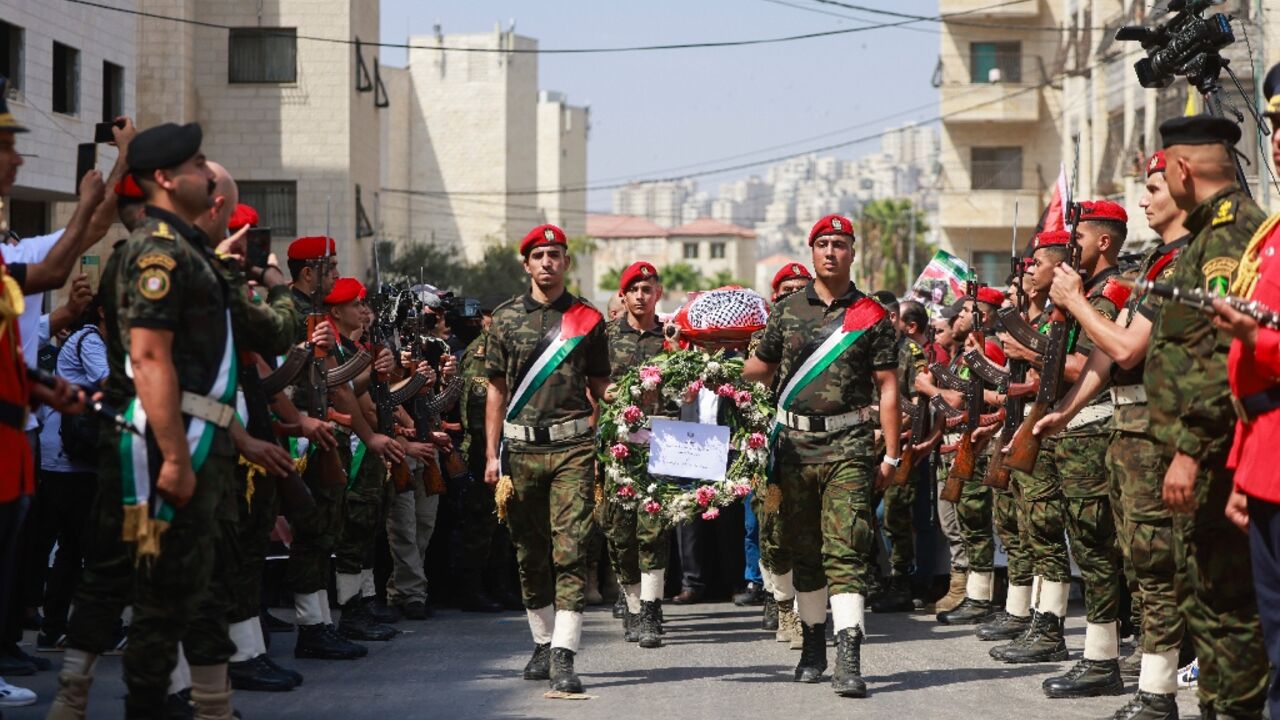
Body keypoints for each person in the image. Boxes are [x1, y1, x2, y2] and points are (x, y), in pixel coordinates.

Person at [45, 121, 246, 718]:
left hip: (173, 434)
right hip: (153, 443)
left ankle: (199, 703)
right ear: (165, 179)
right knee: (137, 578)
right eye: (197, 163)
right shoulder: (155, 255)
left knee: (176, 580)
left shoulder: (184, 253)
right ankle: (98, 701)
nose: (207, 172)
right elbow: (150, 357)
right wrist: (178, 457)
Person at [1033, 151, 1191, 719]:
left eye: (1152, 188)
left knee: (1154, 567)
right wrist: (1064, 412)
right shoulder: (1156, 264)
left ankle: (1159, 691)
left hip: (1157, 430)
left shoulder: (1183, 264)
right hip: (1126, 428)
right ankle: (1143, 682)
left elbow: (1127, 348)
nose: (1144, 199)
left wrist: (1074, 301)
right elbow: (1105, 358)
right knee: (1137, 562)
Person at [1143, 114, 1268, 720]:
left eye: (1164, 170)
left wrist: (1190, 449)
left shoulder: (1225, 236)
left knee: (1227, 608)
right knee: (1210, 602)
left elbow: (1226, 355)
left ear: (1183, 168)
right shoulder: (1212, 233)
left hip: (1220, 455)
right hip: (1213, 452)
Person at [744, 214, 899, 698]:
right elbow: (758, 369)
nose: (831, 251)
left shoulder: (872, 315)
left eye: (840, 244)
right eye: (823, 244)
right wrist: (709, 357)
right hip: (792, 448)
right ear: (811, 252)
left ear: (853, 253)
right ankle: (813, 645)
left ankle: (849, 652)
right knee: (804, 549)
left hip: (849, 445)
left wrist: (891, 454)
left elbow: (889, 387)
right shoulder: (787, 310)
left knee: (847, 546)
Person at [483, 224, 610, 694]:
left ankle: (564, 653)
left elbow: (600, 383)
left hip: (573, 448)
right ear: (526, 264)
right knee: (530, 551)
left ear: (566, 263)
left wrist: (629, 395)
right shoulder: (505, 318)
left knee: (571, 547)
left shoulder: (587, 319)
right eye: (538, 255)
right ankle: (542, 640)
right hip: (519, 451)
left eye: (555, 255)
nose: (547, 263)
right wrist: (490, 456)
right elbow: (495, 390)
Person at [602, 261, 671, 649]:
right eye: (634, 290)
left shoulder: (672, 338)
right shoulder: (607, 336)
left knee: (654, 531)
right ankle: (630, 604)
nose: (641, 296)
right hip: (618, 446)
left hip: (661, 447)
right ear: (623, 296)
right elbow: (591, 387)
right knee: (621, 532)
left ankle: (649, 611)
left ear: (657, 293)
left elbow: (689, 386)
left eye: (648, 289)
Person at [870, 298, 931, 613]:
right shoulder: (871, 347)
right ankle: (878, 579)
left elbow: (919, 402)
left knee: (894, 516)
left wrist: (888, 428)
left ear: (891, 317)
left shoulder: (910, 351)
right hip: (869, 445)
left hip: (901, 446)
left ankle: (901, 582)